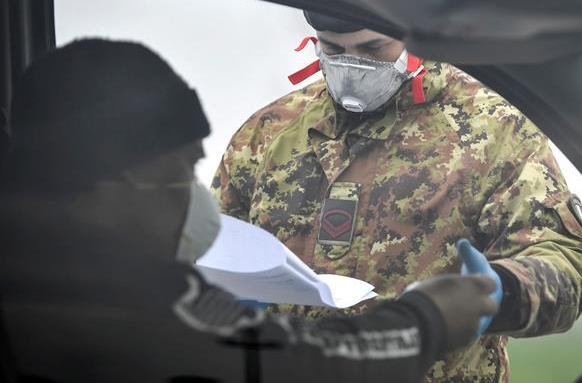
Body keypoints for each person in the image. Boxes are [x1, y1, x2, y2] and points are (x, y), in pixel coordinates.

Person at [0, 38, 499, 383]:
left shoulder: (33, 261)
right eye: (182, 169)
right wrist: (428, 317)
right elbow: (302, 370)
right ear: (121, 174)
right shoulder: (120, 294)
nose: (194, 196)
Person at [213, 11, 582, 383]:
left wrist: (501, 289)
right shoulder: (269, 132)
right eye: (333, 50)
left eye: (372, 49)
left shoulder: (494, 130)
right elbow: (209, 243)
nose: (353, 66)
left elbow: (568, 259)